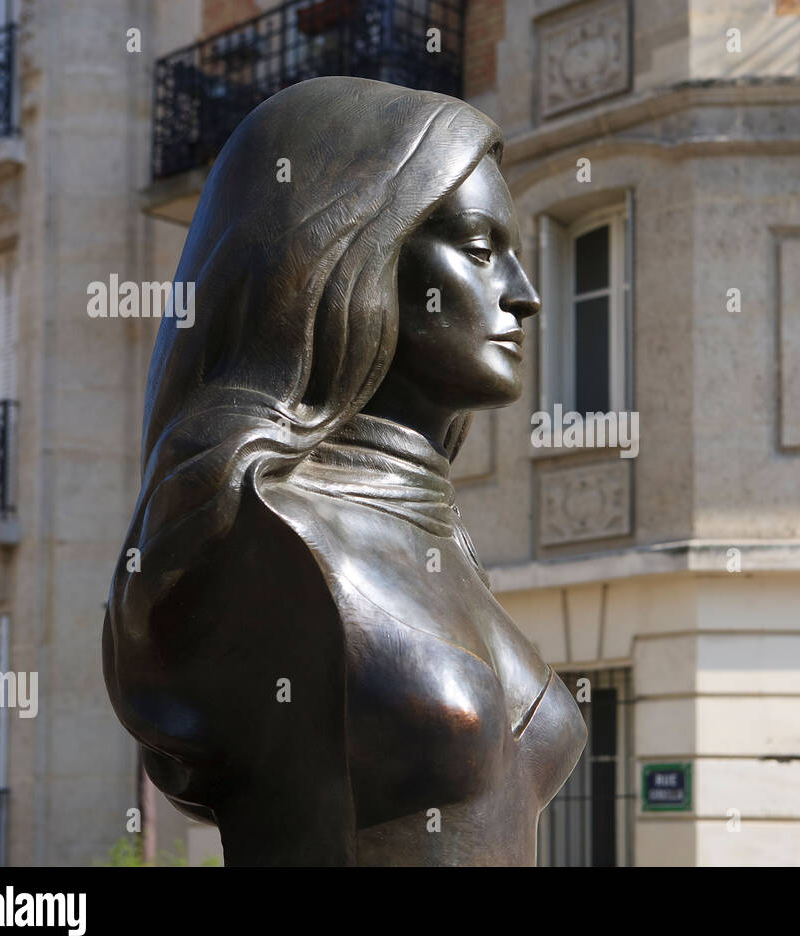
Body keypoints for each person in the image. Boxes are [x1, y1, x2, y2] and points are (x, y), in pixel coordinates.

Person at [102, 77, 587, 865]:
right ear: (352, 254)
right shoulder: (268, 534)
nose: (523, 296)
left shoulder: (438, 546)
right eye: (477, 250)